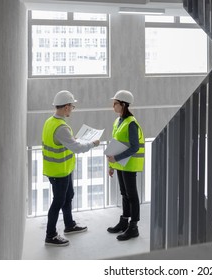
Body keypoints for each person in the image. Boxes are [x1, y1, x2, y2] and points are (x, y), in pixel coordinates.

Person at [42, 90, 100, 246]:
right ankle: (51, 235)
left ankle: (69, 225)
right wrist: (93, 144)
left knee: (68, 196)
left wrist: (72, 140)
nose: (72, 110)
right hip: (58, 172)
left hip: (62, 170)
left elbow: (62, 142)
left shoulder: (50, 121)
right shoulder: (61, 127)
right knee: (58, 202)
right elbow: (77, 148)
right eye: (72, 107)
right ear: (66, 107)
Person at [106, 90, 145, 241]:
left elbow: (134, 147)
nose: (113, 106)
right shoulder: (118, 121)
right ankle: (124, 222)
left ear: (123, 105)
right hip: (120, 165)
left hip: (129, 165)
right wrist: (112, 165)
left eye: (115, 103)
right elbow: (116, 144)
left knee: (132, 195)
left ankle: (133, 227)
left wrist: (116, 158)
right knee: (124, 194)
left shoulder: (131, 123)